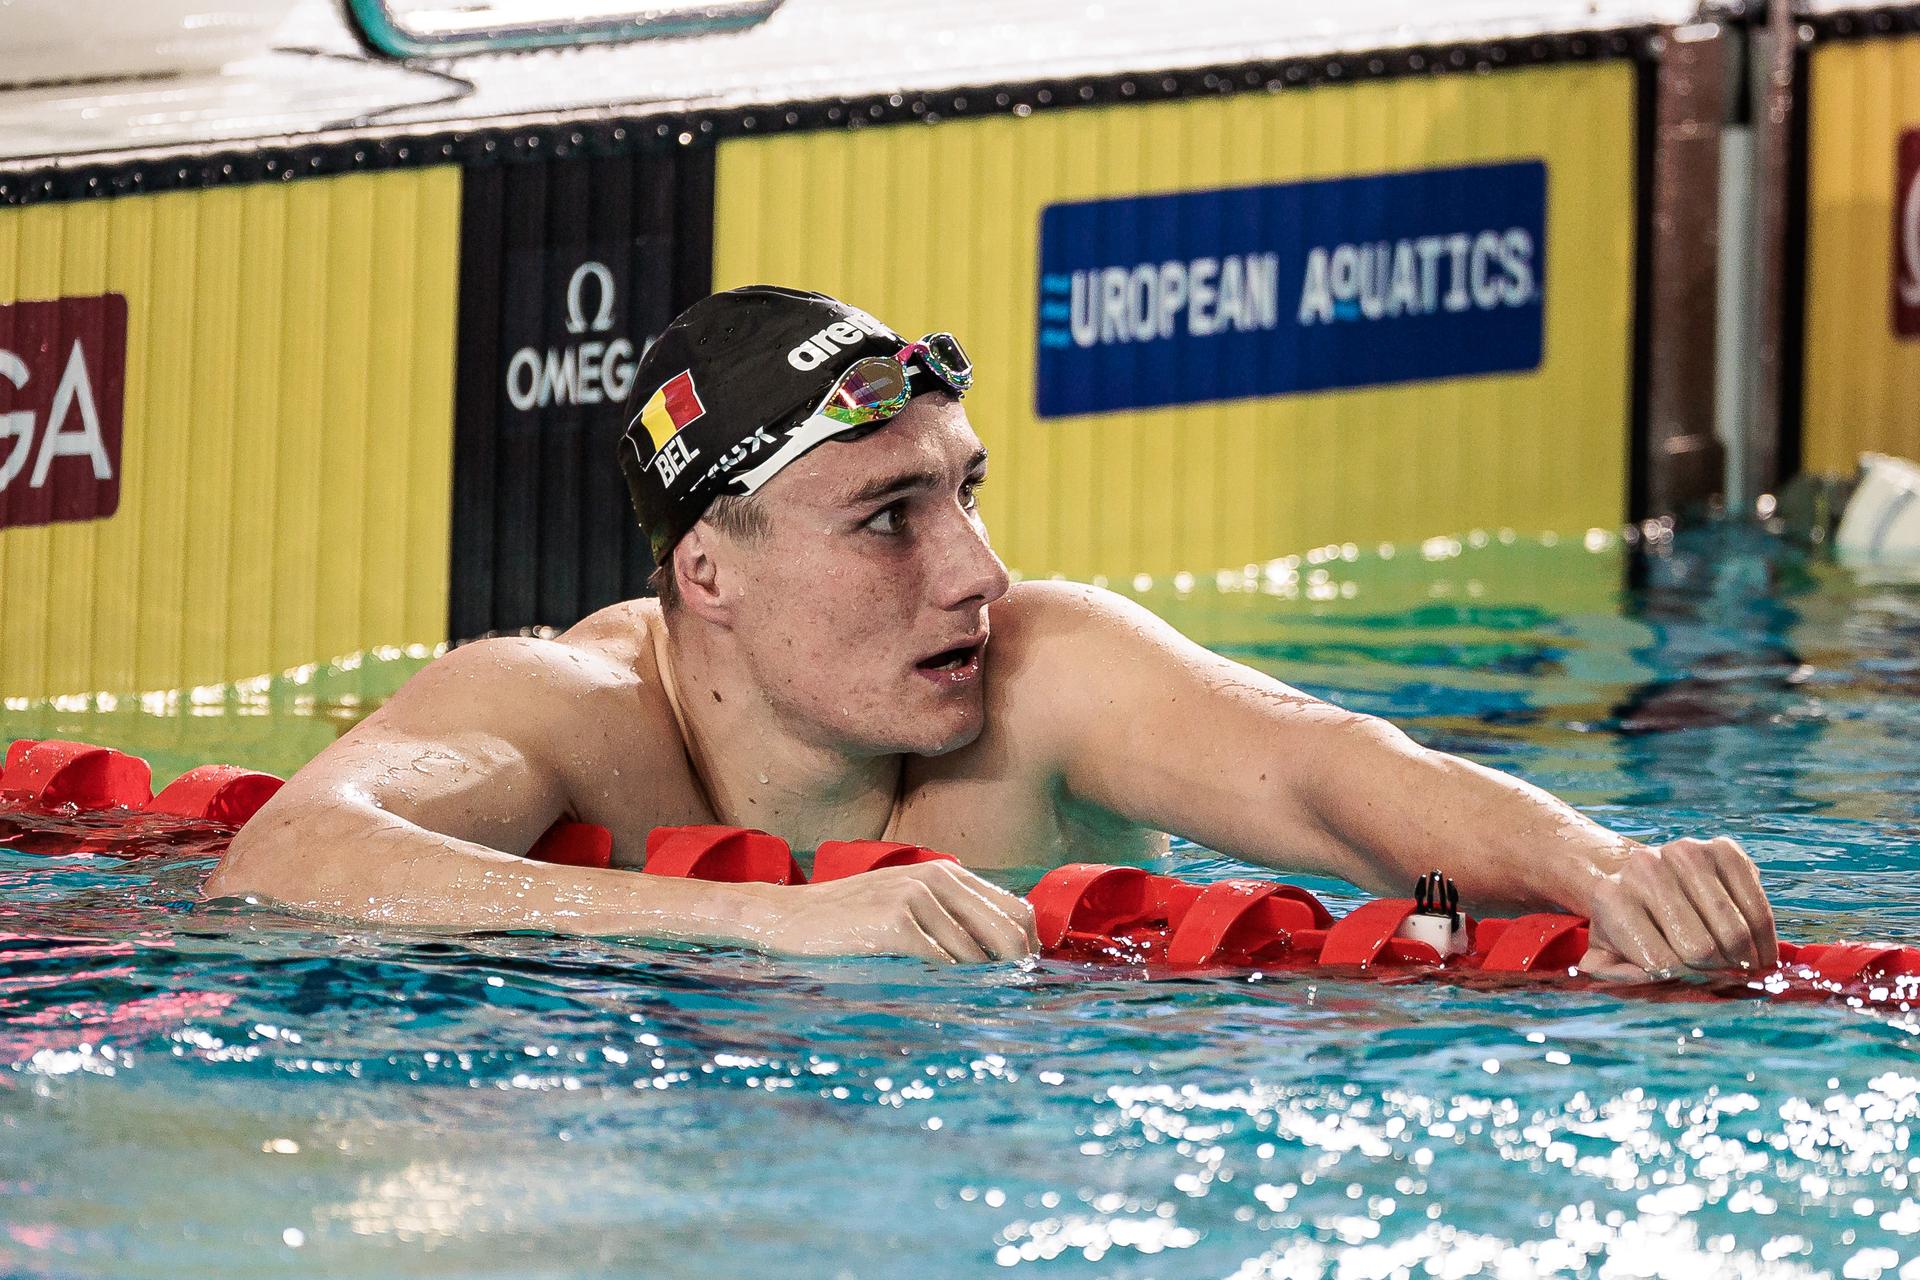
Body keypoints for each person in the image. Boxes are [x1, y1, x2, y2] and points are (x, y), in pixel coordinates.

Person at [206, 286, 1778, 978]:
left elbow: (1330, 773)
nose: (974, 569)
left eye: (964, 492)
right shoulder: (565, 712)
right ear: (710, 575)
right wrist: (772, 924)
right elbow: (284, 859)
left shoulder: (1040, 676)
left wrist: (1607, 872)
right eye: (886, 516)